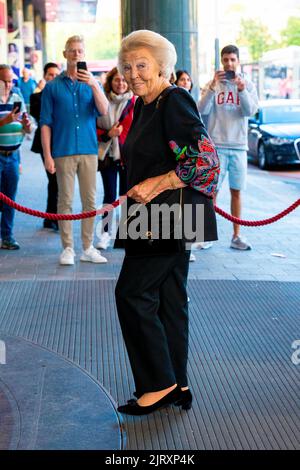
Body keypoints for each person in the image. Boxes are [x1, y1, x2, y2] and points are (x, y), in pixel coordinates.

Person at [115, 30, 219, 415]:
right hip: (160, 216)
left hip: (164, 216)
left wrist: (155, 185)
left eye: (141, 65)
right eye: (127, 66)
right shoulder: (144, 104)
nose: (133, 73)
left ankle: (158, 384)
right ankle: (178, 382)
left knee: (132, 295)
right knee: (169, 300)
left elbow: (204, 160)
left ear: (162, 66)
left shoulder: (174, 99)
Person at [40, 35, 109, 265]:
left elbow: (104, 110)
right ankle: (67, 248)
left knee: (90, 200)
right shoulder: (52, 87)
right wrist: (47, 155)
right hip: (63, 149)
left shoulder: (93, 83)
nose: (76, 54)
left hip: (89, 149)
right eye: (72, 50)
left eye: (80, 51)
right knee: (65, 201)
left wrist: (93, 84)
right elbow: (45, 124)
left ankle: (88, 247)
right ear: (65, 54)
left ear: (83, 54)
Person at [198, 44, 258, 250]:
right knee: (211, 192)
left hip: (239, 146)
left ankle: (236, 235)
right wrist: (213, 87)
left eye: (232, 60)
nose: (229, 63)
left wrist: (241, 90)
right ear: (222, 61)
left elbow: (249, 111)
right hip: (217, 145)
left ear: (238, 61)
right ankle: (206, 235)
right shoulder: (214, 84)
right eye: (226, 60)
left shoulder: (247, 84)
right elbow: (201, 110)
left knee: (237, 191)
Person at [95, 67, 135, 250]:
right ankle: (105, 233)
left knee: (127, 196)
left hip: (128, 155)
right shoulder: (101, 101)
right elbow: (93, 125)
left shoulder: (135, 101)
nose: (121, 84)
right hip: (107, 154)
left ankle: (127, 234)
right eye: (117, 80)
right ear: (110, 81)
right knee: (110, 195)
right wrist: (108, 134)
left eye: (124, 80)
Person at [0, 64, 32, 250]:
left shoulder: (17, 96)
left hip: (13, 155)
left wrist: (27, 125)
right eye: (4, 80)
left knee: (10, 198)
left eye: (11, 80)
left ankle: (7, 237)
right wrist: (6, 120)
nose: (9, 84)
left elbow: (27, 128)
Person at [30, 62, 60, 231]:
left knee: (57, 182)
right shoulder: (36, 96)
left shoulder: (62, 95)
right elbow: (39, 114)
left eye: (56, 75)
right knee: (54, 179)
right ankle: (52, 217)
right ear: (44, 77)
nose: (53, 78)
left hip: (62, 142)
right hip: (45, 144)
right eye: (50, 75)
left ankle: (50, 217)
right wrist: (43, 91)